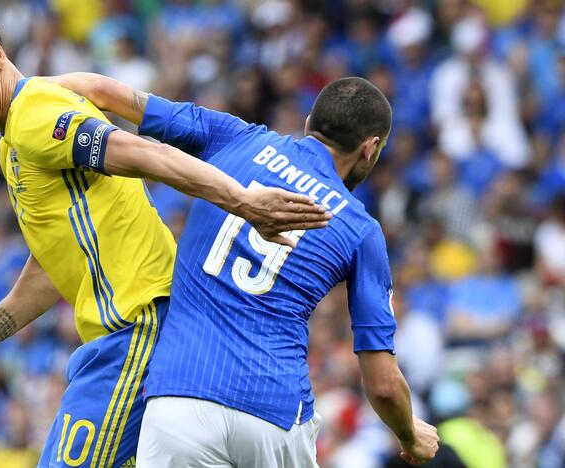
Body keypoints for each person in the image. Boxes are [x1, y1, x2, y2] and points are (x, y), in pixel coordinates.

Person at [0, 2, 331, 468]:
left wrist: (242, 201)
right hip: (123, 338)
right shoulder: (16, 136)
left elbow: (137, 151)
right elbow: (59, 259)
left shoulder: (34, 116)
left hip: (136, 329)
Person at [53, 73, 441, 467]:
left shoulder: (236, 137)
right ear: (370, 149)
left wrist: (17, 93)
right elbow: (383, 385)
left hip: (179, 399)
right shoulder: (362, 230)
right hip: (273, 414)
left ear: (308, 124)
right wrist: (410, 434)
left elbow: (104, 92)